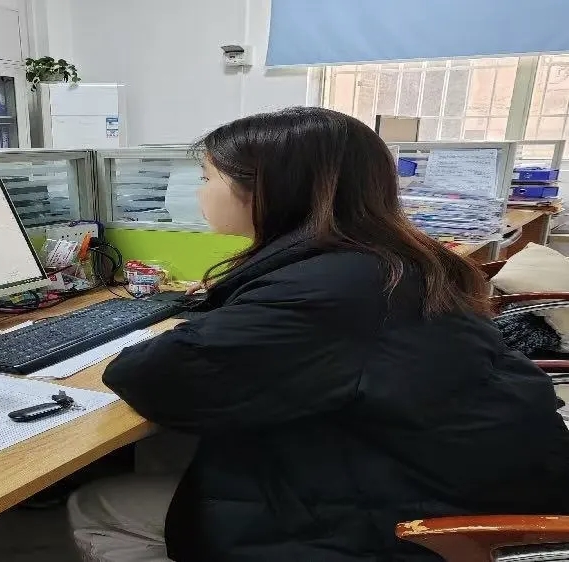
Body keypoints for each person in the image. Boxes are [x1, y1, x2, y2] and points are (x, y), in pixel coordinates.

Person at [67, 107, 569, 561]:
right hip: (449, 475)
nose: (199, 193)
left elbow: (149, 377)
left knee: (99, 504)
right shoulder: (388, 262)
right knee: (177, 450)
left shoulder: (331, 290)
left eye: (206, 177)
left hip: (412, 523)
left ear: (268, 191)